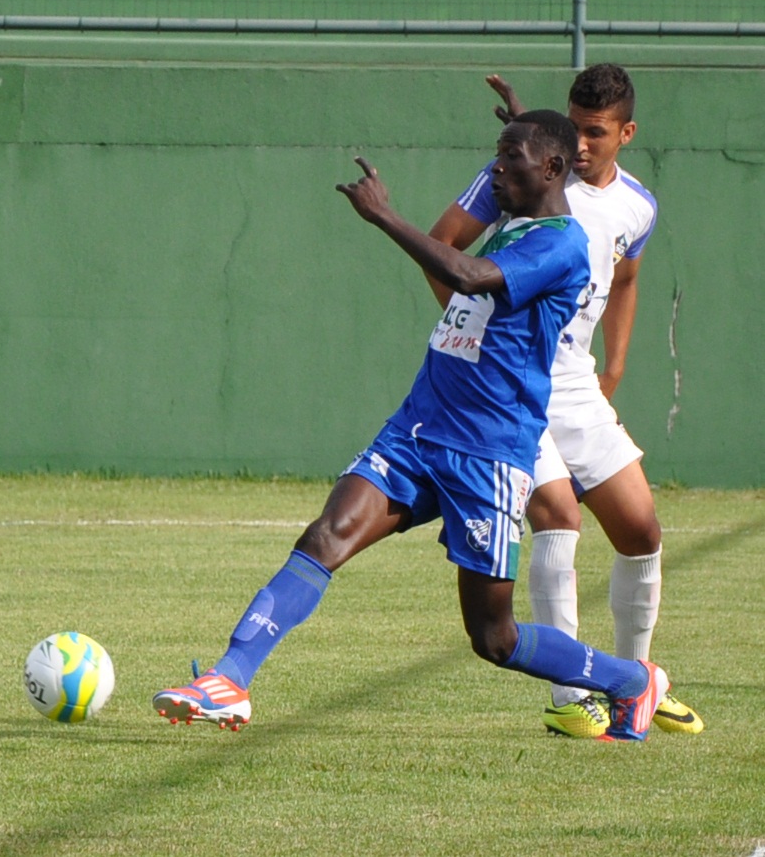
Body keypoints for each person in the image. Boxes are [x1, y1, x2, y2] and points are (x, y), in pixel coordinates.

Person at [152, 110, 670, 741]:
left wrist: (384, 216)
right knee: (326, 535)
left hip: (489, 453)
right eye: (497, 156)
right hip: (420, 430)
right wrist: (521, 124)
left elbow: (465, 274)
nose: (497, 170)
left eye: (511, 160)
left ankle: (629, 680)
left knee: (493, 637)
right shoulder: (516, 226)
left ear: (553, 169)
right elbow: (481, 252)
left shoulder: (563, 245)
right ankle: (229, 679)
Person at [426, 65, 701, 738]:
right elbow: (442, 246)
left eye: (595, 132)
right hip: (517, 379)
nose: (580, 144)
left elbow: (626, 274)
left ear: (626, 133)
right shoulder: (530, 179)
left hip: (576, 382)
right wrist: (480, 336)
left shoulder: (638, 205)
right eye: (572, 128)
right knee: (555, 514)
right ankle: (571, 699)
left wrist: (618, 362)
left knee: (641, 529)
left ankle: (631, 683)